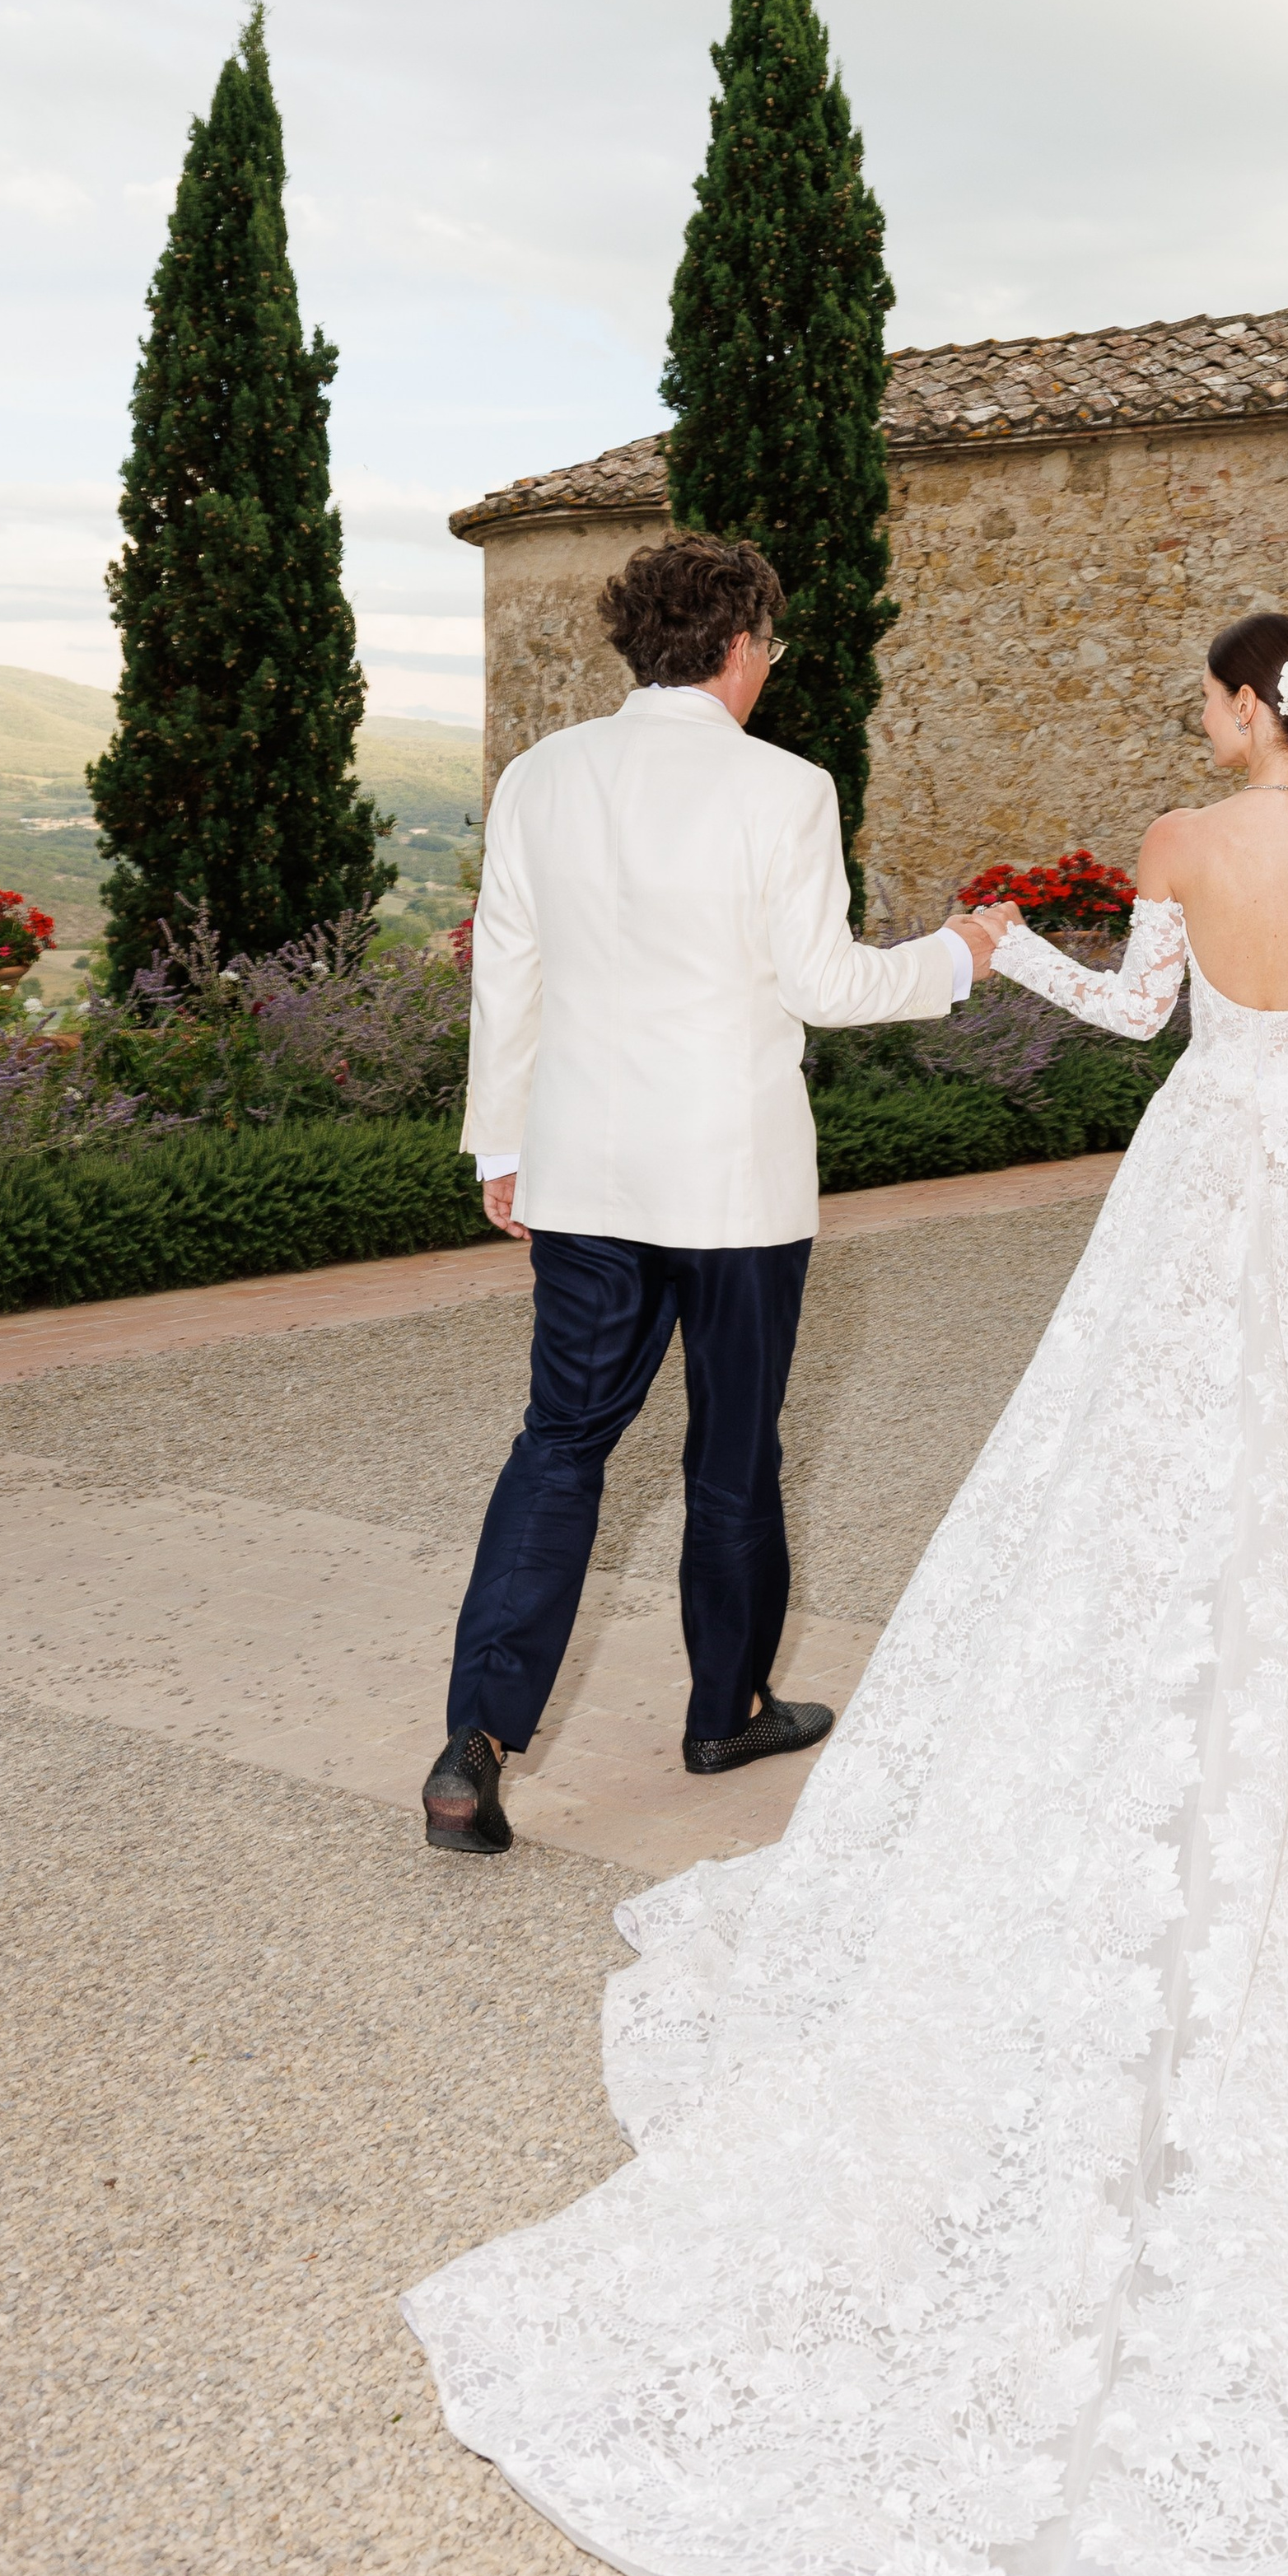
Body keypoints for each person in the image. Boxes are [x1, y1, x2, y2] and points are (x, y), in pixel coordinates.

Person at [405, 609, 1288, 2576]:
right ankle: (1182, 1728)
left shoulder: (1173, 840)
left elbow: (1139, 1022)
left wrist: (997, 939)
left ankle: (535, 1724)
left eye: (1210, 696)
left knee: (1085, 1464)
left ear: (1239, 714)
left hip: (1186, 1169)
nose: (1201, 721)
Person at [418, 531, 998, 1849]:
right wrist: (960, 953)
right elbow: (828, 985)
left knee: (559, 1448)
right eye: (772, 651)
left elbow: (508, 971)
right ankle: (723, 1710)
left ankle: (475, 1741)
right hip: (733, 1186)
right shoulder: (785, 789)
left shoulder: (540, 779)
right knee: (733, 1456)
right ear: (742, 647)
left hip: (580, 1176)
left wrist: (501, 1150)